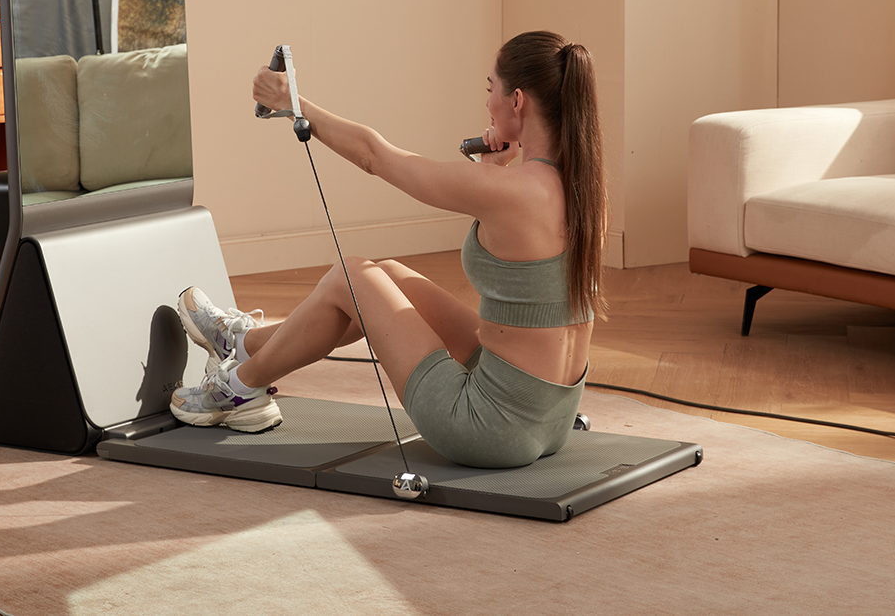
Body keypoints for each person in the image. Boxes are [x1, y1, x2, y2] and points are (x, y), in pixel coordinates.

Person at [169, 30, 608, 470]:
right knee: (390, 276)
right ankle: (243, 343)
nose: (487, 101)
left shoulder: (513, 192)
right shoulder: (584, 191)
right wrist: (494, 171)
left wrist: (293, 103)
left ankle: (236, 390)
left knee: (352, 276)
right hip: (550, 417)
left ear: (517, 101)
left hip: (487, 426)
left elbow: (374, 156)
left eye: (490, 89)